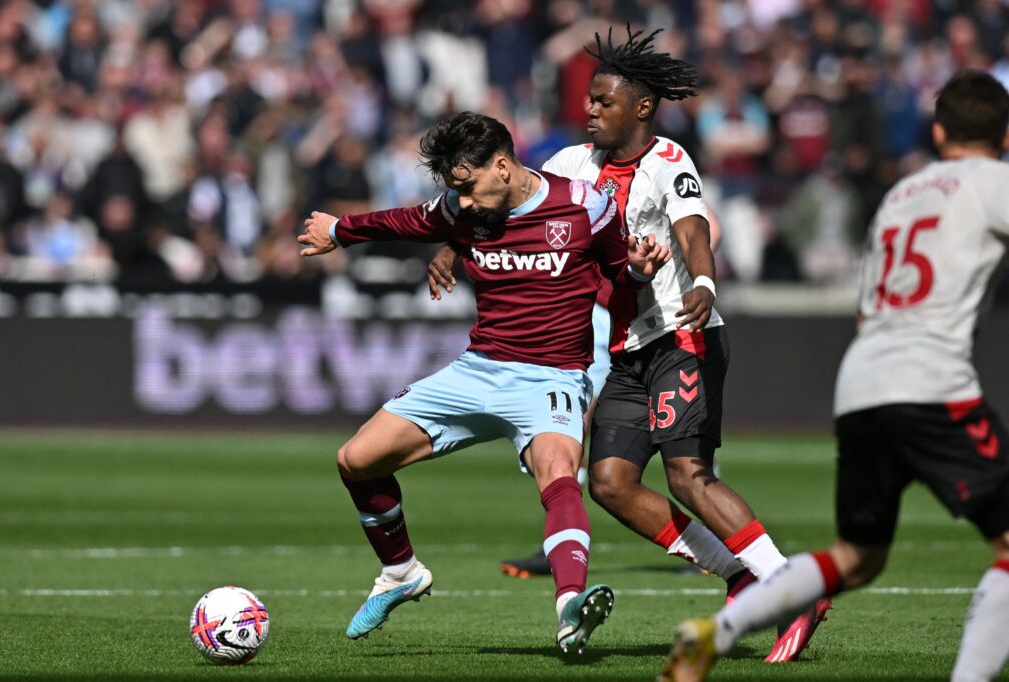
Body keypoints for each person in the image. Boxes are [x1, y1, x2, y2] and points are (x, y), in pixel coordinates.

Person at [425, 25, 829, 663]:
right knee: (610, 483)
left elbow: (694, 229)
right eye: (588, 100)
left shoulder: (671, 163)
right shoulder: (566, 166)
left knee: (690, 476)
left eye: (603, 102)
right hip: (626, 350)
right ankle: (741, 574)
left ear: (641, 108)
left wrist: (702, 282)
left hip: (680, 335)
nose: (588, 110)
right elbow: (495, 199)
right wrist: (451, 241)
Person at [662, 70, 1009, 682]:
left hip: (862, 381)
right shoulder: (995, 182)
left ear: (937, 131)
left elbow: (864, 303)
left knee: (857, 557)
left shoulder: (902, 195)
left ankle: (717, 633)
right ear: (1004, 137)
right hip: (931, 380)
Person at [297, 111, 671, 653]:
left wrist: (636, 270)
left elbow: (619, 277)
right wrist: (338, 231)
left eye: (468, 187)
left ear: (502, 166)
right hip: (478, 370)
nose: (463, 202)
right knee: (356, 459)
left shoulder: (586, 206)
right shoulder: (460, 208)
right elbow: (401, 222)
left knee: (559, 473)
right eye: (456, 191)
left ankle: (570, 606)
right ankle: (401, 572)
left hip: (552, 376)